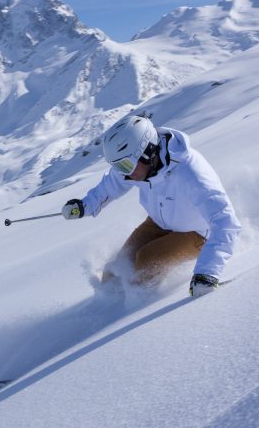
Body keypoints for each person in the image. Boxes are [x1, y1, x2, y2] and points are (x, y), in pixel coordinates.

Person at [62, 115, 241, 297]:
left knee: (146, 262)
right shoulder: (137, 167)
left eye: (125, 165)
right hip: (160, 222)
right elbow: (112, 183)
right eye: (117, 166)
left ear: (147, 151)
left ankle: (133, 312)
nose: (124, 173)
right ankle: (106, 310)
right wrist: (85, 205)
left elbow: (226, 222)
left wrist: (208, 274)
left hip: (198, 233)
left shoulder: (191, 173)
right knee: (116, 270)